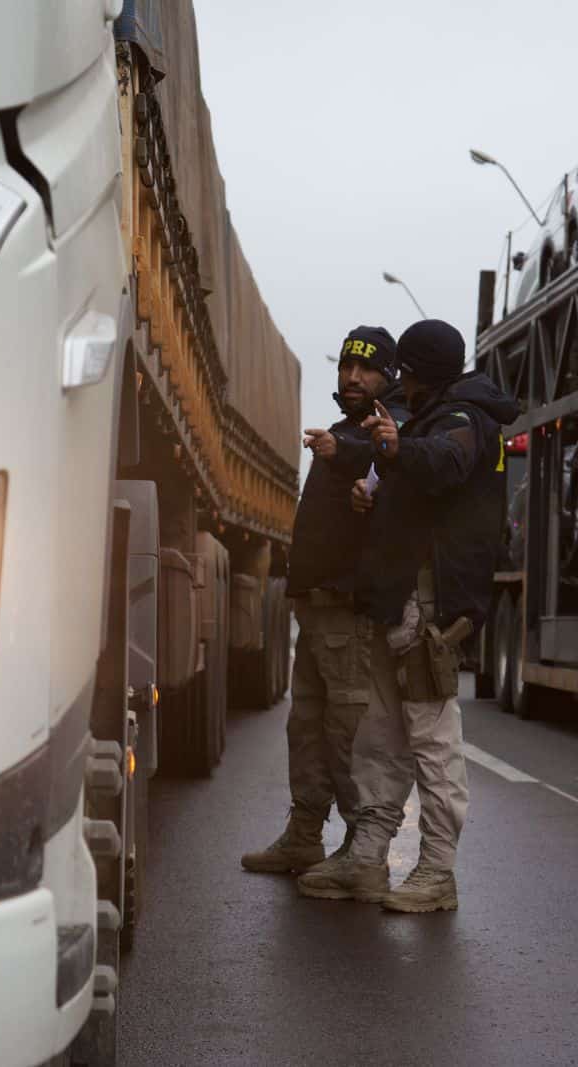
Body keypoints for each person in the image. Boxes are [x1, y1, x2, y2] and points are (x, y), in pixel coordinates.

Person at [297, 319, 517, 912]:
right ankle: (367, 857)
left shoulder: (463, 419)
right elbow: (422, 488)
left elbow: (443, 463)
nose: (405, 387)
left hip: (429, 608)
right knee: (380, 735)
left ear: (421, 375)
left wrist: (395, 451)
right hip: (398, 602)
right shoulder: (435, 415)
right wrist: (379, 492)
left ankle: (438, 870)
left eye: (408, 376)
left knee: (431, 737)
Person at [241, 326, 409, 874]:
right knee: (306, 724)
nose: (353, 376)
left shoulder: (382, 429)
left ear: (391, 374)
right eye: (347, 367)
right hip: (316, 608)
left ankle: (362, 849)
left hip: (347, 608)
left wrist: (344, 451)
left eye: (367, 368)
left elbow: (381, 451)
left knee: (348, 731)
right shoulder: (347, 428)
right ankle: (305, 833)